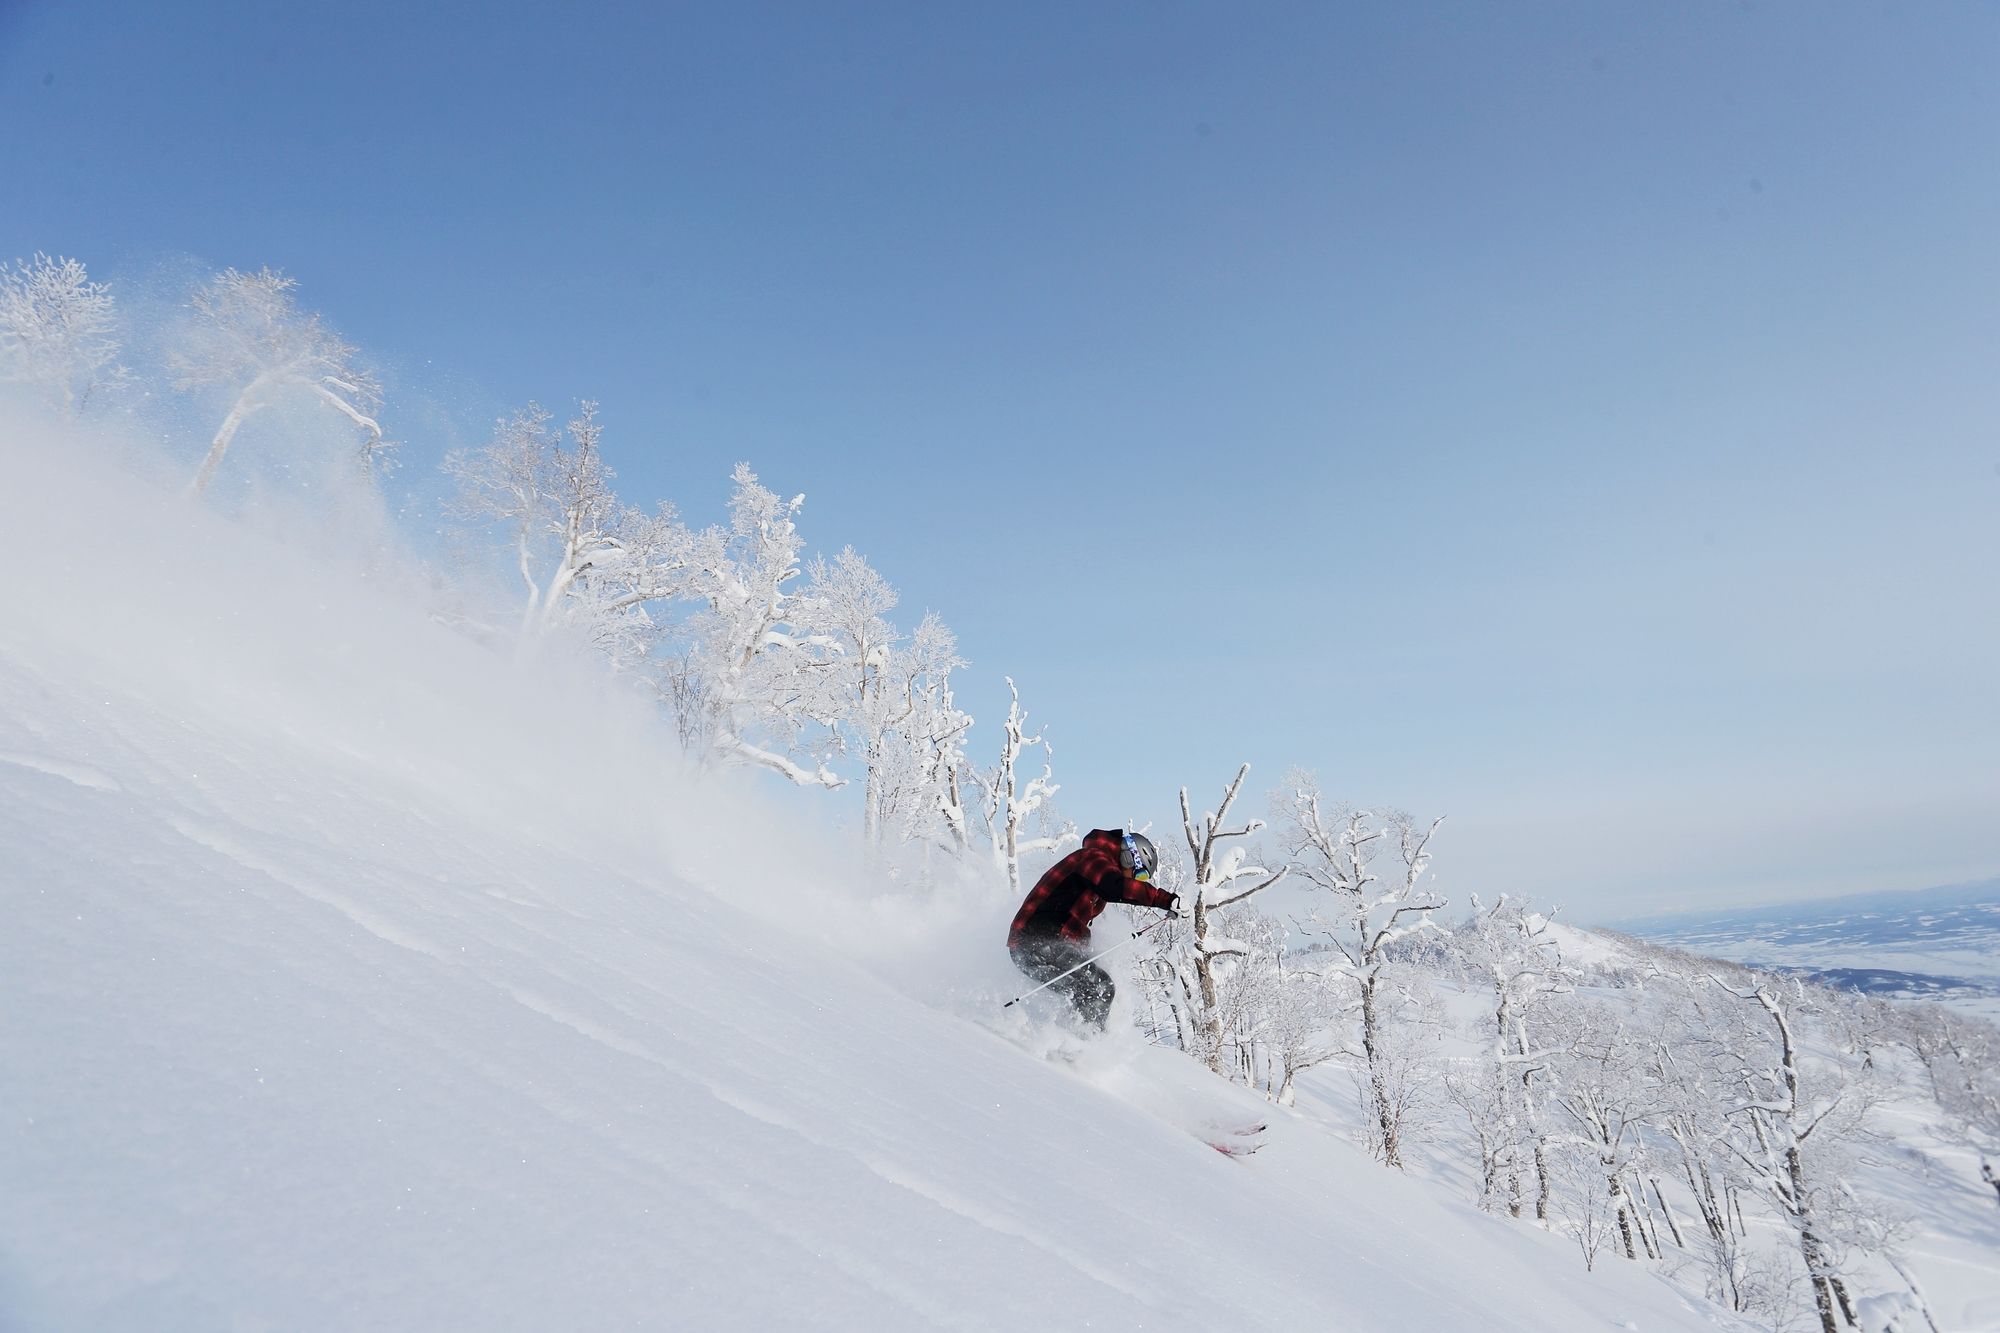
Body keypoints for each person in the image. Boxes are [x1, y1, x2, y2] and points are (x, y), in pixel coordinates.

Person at [1007, 828, 1180, 1031]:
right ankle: (1086, 1045)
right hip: (1037, 941)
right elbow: (1115, 887)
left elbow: (1076, 926)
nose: (1136, 881)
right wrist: (1166, 900)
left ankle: (1063, 1041)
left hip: (1036, 946)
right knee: (1101, 987)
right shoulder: (1092, 858)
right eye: (1139, 875)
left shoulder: (1096, 873)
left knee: (1082, 991)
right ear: (1128, 858)